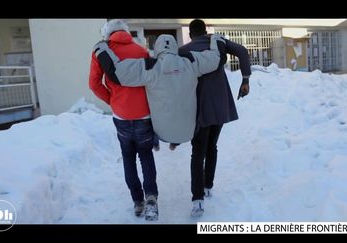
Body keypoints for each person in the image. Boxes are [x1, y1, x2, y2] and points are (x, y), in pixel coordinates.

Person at [93, 34, 224, 146]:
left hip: (161, 133)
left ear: (157, 49)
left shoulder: (150, 67)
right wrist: (217, 39)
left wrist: (101, 49)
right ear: (174, 47)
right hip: (189, 132)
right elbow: (218, 58)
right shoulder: (191, 62)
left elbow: (116, 72)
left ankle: (159, 142)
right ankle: (175, 140)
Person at [178, 19, 251, 217]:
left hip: (199, 107)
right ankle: (208, 185)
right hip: (220, 104)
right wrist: (245, 79)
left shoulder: (184, 50)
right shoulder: (218, 43)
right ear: (206, 31)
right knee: (212, 146)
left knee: (198, 152)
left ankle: (198, 199)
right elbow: (243, 51)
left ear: (191, 34)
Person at [88, 19, 158, 221]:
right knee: (146, 156)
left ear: (108, 34)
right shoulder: (141, 51)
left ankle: (138, 202)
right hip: (144, 114)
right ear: (127, 33)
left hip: (121, 115)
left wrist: (112, 99)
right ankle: (151, 198)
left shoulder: (102, 52)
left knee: (128, 157)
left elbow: (94, 84)